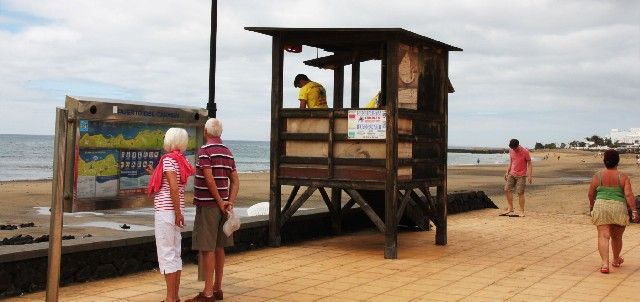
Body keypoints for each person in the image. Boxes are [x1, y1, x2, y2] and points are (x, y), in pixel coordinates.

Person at [186, 118, 239, 302]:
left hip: (209, 205)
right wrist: (228, 202)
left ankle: (207, 293)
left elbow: (209, 180)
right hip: (224, 206)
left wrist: (219, 202)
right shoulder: (227, 152)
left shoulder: (204, 151)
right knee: (219, 247)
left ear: (206, 132)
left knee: (207, 248)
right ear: (220, 133)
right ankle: (217, 288)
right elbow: (235, 181)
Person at [146, 128, 195, 302]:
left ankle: (170, 298)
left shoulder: (167, 160)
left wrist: (177, 212)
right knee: (175, 254)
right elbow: (172, 184)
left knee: (166, 255)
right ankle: (175, 296)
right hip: (175, 212)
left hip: (167, 213)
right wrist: (154, 173)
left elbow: (173, 187)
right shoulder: (182, 160)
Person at [588, 149, 638, 274]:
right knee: (616, 237)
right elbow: (629, 195)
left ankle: (605, 264)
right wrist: (634, 211)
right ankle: (615, 259)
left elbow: (590, 194)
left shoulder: (597, 176)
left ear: (604, 161)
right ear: (618, 162)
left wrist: (592, 205)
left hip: (601, 206)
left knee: (603, 236)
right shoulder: (623, 177)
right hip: (618, 207)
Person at [499, 139, 533, 217]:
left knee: (520, 193)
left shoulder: (525, 152)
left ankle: (522, 211)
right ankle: (510, 208)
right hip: (512, 173)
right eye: (512, 148)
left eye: (515, 148)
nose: (514, 149)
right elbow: (511, 161)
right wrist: (507, 172)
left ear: (518, 145)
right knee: (507, 189)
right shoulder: (511, 150)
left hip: (521, 175)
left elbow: (529, 163)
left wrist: (530, 175)